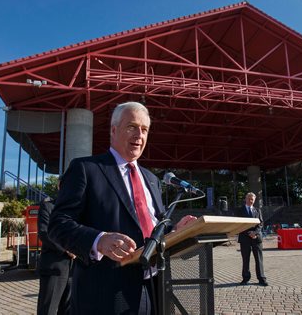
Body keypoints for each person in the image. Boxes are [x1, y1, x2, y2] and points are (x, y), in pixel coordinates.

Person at [48, 102, 196, 315]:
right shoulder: (86, 169)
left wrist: (175, 230)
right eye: (132, 127)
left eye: (144, 129)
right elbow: (58, 224)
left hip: (155, 285)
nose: (139, 134)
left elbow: (154, 225)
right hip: (106, 293)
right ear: (114, 130)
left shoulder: (152, 179)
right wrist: (99, 240)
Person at [37, 177, 75, 315]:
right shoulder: (48, 206)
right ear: (60, 186)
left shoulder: (76, 209)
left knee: (69, 311)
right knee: (48, 310)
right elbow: (44, 233)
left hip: (73, 271)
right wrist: (67, 249)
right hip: (54, 268)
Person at [236, 192, 268, 286]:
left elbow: (261, 223)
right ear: (245, 199)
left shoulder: (257, 210)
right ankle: (245, 278)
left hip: (256, 238)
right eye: (249, 199)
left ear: (254, 200)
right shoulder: (239, 211)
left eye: (252, 199)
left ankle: (261, 278)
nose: (250, 201)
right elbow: (238, 224)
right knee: (245, 259)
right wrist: (248, 233)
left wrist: (255, 233)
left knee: (259, 259)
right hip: (244, 238)